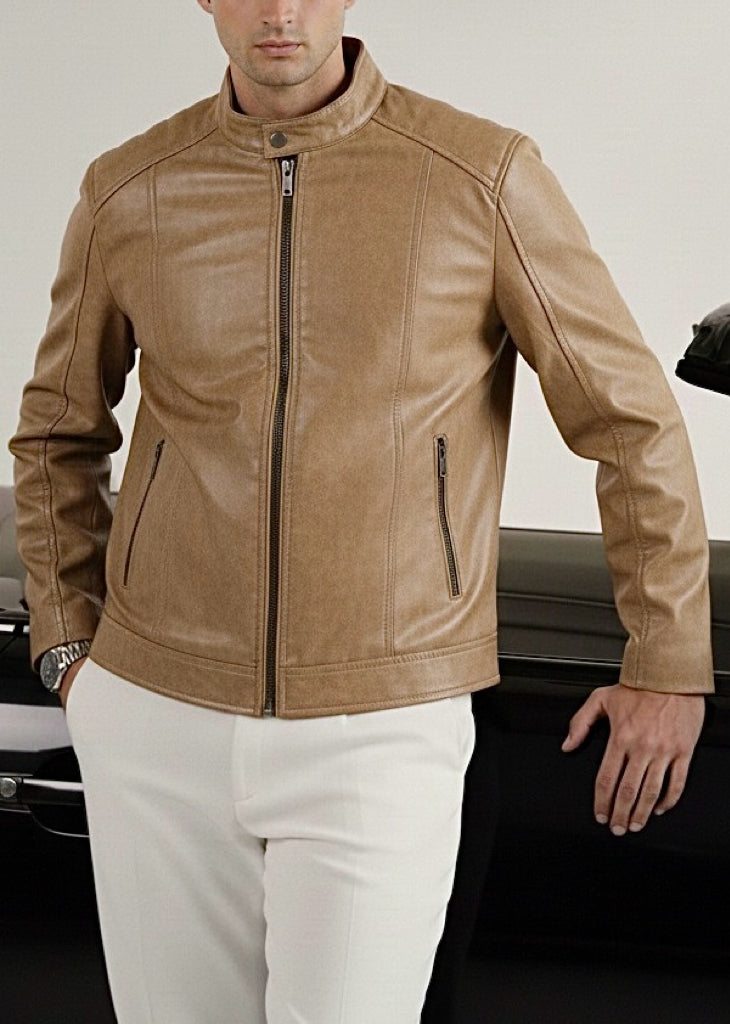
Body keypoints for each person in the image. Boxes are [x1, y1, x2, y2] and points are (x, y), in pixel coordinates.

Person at [9, 2, 713, 1022]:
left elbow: (629, 420)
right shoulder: (132, 188)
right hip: (157, 718)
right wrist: (70, 649)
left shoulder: (479, 177)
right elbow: (55, 434)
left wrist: (668, 660)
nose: (280, 12)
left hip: (383, 726)